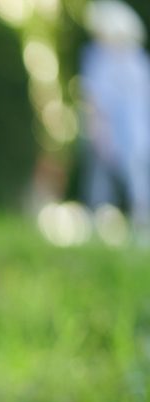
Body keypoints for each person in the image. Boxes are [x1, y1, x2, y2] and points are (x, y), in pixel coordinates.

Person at [80, 0, 150, 233]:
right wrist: (98, 129)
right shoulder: (97, 58)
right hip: (107, 130)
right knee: (99, 181)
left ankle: (141, 225)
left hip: (136, 131)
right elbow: (94, 98)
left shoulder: (138, 60)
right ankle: (95, 225)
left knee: (137, 180)